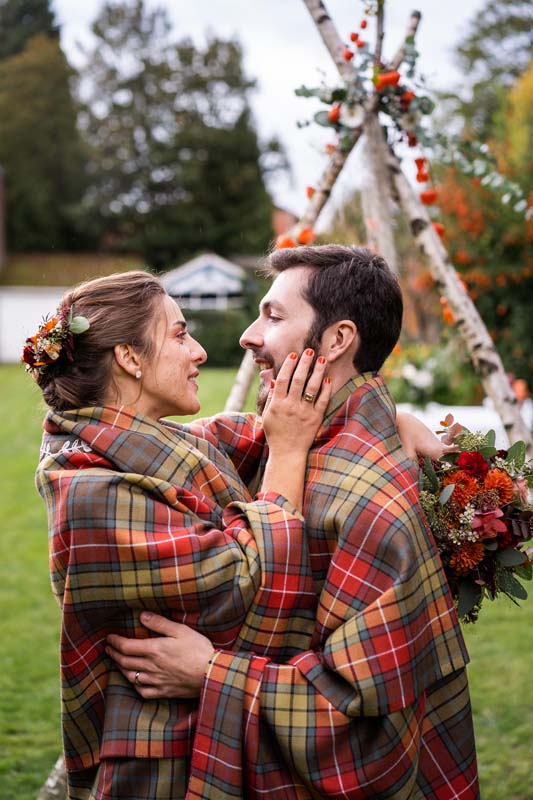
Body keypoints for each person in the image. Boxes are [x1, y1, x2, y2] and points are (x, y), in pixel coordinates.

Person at [108, 245, 479, 799]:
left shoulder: (370, 504)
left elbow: (361, 732)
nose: (247, 336)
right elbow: (162, 443)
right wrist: (395, 412)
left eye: (273, 317)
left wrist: (212, 672)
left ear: (335, 341)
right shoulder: (290, 440)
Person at [29, 270, 333, 799]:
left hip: (195, 737)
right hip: (160, 765)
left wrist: (390, 419)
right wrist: (288, 452)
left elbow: (242, 435)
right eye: (178, 334)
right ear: (130, 358)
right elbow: (248, 580)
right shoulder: (91, 493)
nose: (198, 352)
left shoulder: (148, 445)